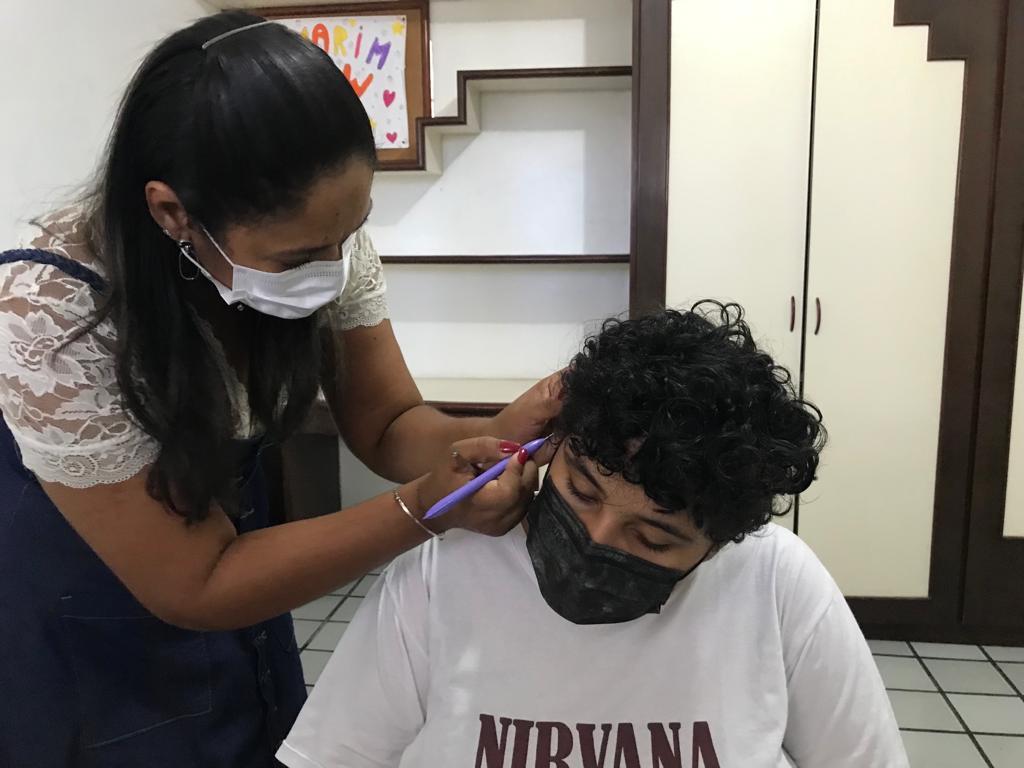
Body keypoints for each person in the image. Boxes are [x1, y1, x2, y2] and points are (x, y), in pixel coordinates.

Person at [0, 11, 558, 767]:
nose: (331, 268)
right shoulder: (49, 314)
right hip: (94, 621)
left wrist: (505, 429)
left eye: (349, 233)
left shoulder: (322, 244)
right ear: (172, 212)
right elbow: (195, 584)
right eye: (298, 258)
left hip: (241, 595)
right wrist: (423, 509)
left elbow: (390, 423)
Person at [279, 303, 909, 768]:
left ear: (721, 544)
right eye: (581, 491)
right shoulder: (445, 570)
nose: (595, 538)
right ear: (549, 445)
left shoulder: (775, 582)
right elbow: (333, 755)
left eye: (652, 539)